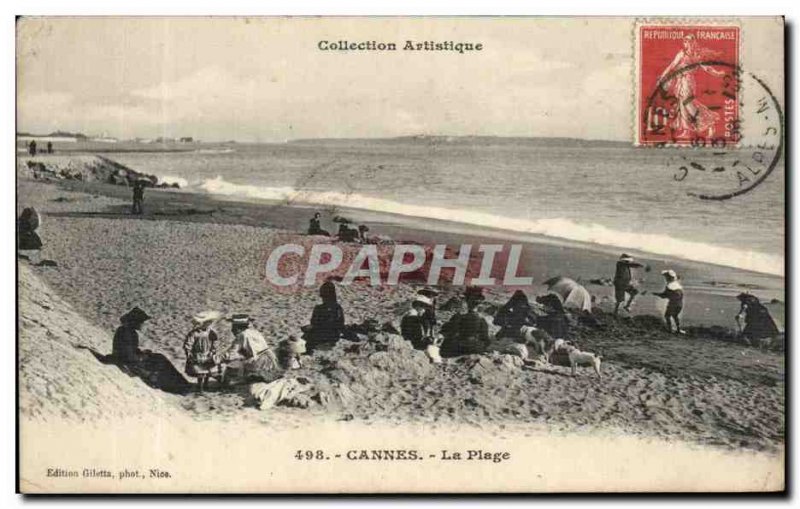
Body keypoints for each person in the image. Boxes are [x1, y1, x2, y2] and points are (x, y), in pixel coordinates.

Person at [222, 313, 281, 384]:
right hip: (271, 360)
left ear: (237, 328)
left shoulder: (242, 335)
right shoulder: (255, 332)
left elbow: (231, 354)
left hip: (259, 362)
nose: (232, 330)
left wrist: (217, 358)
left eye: (233, 327)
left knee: (232, 366)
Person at [439, 287, 491, 357]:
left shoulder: (459, 316)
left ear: (467, 300)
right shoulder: (482, 320)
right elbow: (486, 341)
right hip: (475, 349)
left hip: (457, 348)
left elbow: (447, 330)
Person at [183, 310, 226, 391]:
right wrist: (189, 354)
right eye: (207, 323)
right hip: (198, 355)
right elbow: (188, 344)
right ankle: (200, 387)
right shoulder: (194, 333)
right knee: (200, 372)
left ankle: (206, 385)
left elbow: (214, 343)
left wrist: (213, 351)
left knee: (208, 371)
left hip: (208, 354)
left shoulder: (212, 333)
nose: (209, 325)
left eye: (210, 323)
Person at [304, 281, 346, 351]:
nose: (323, 299)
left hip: (325, 334)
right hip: (332, 335)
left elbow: (314, 322)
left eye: (324, 296)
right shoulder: (337, 307)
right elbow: (340, 323)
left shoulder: (320, 308)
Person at [653, 270, 685, 334]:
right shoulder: (678, 285)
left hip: (672, 304)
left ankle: (670, 329)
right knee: (675, 316)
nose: (665, 279)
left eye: (666, 277)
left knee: (667, 316)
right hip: (679, 304)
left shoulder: (669, 286)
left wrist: (656, 294)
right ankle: (678, 329)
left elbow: (664, 295)